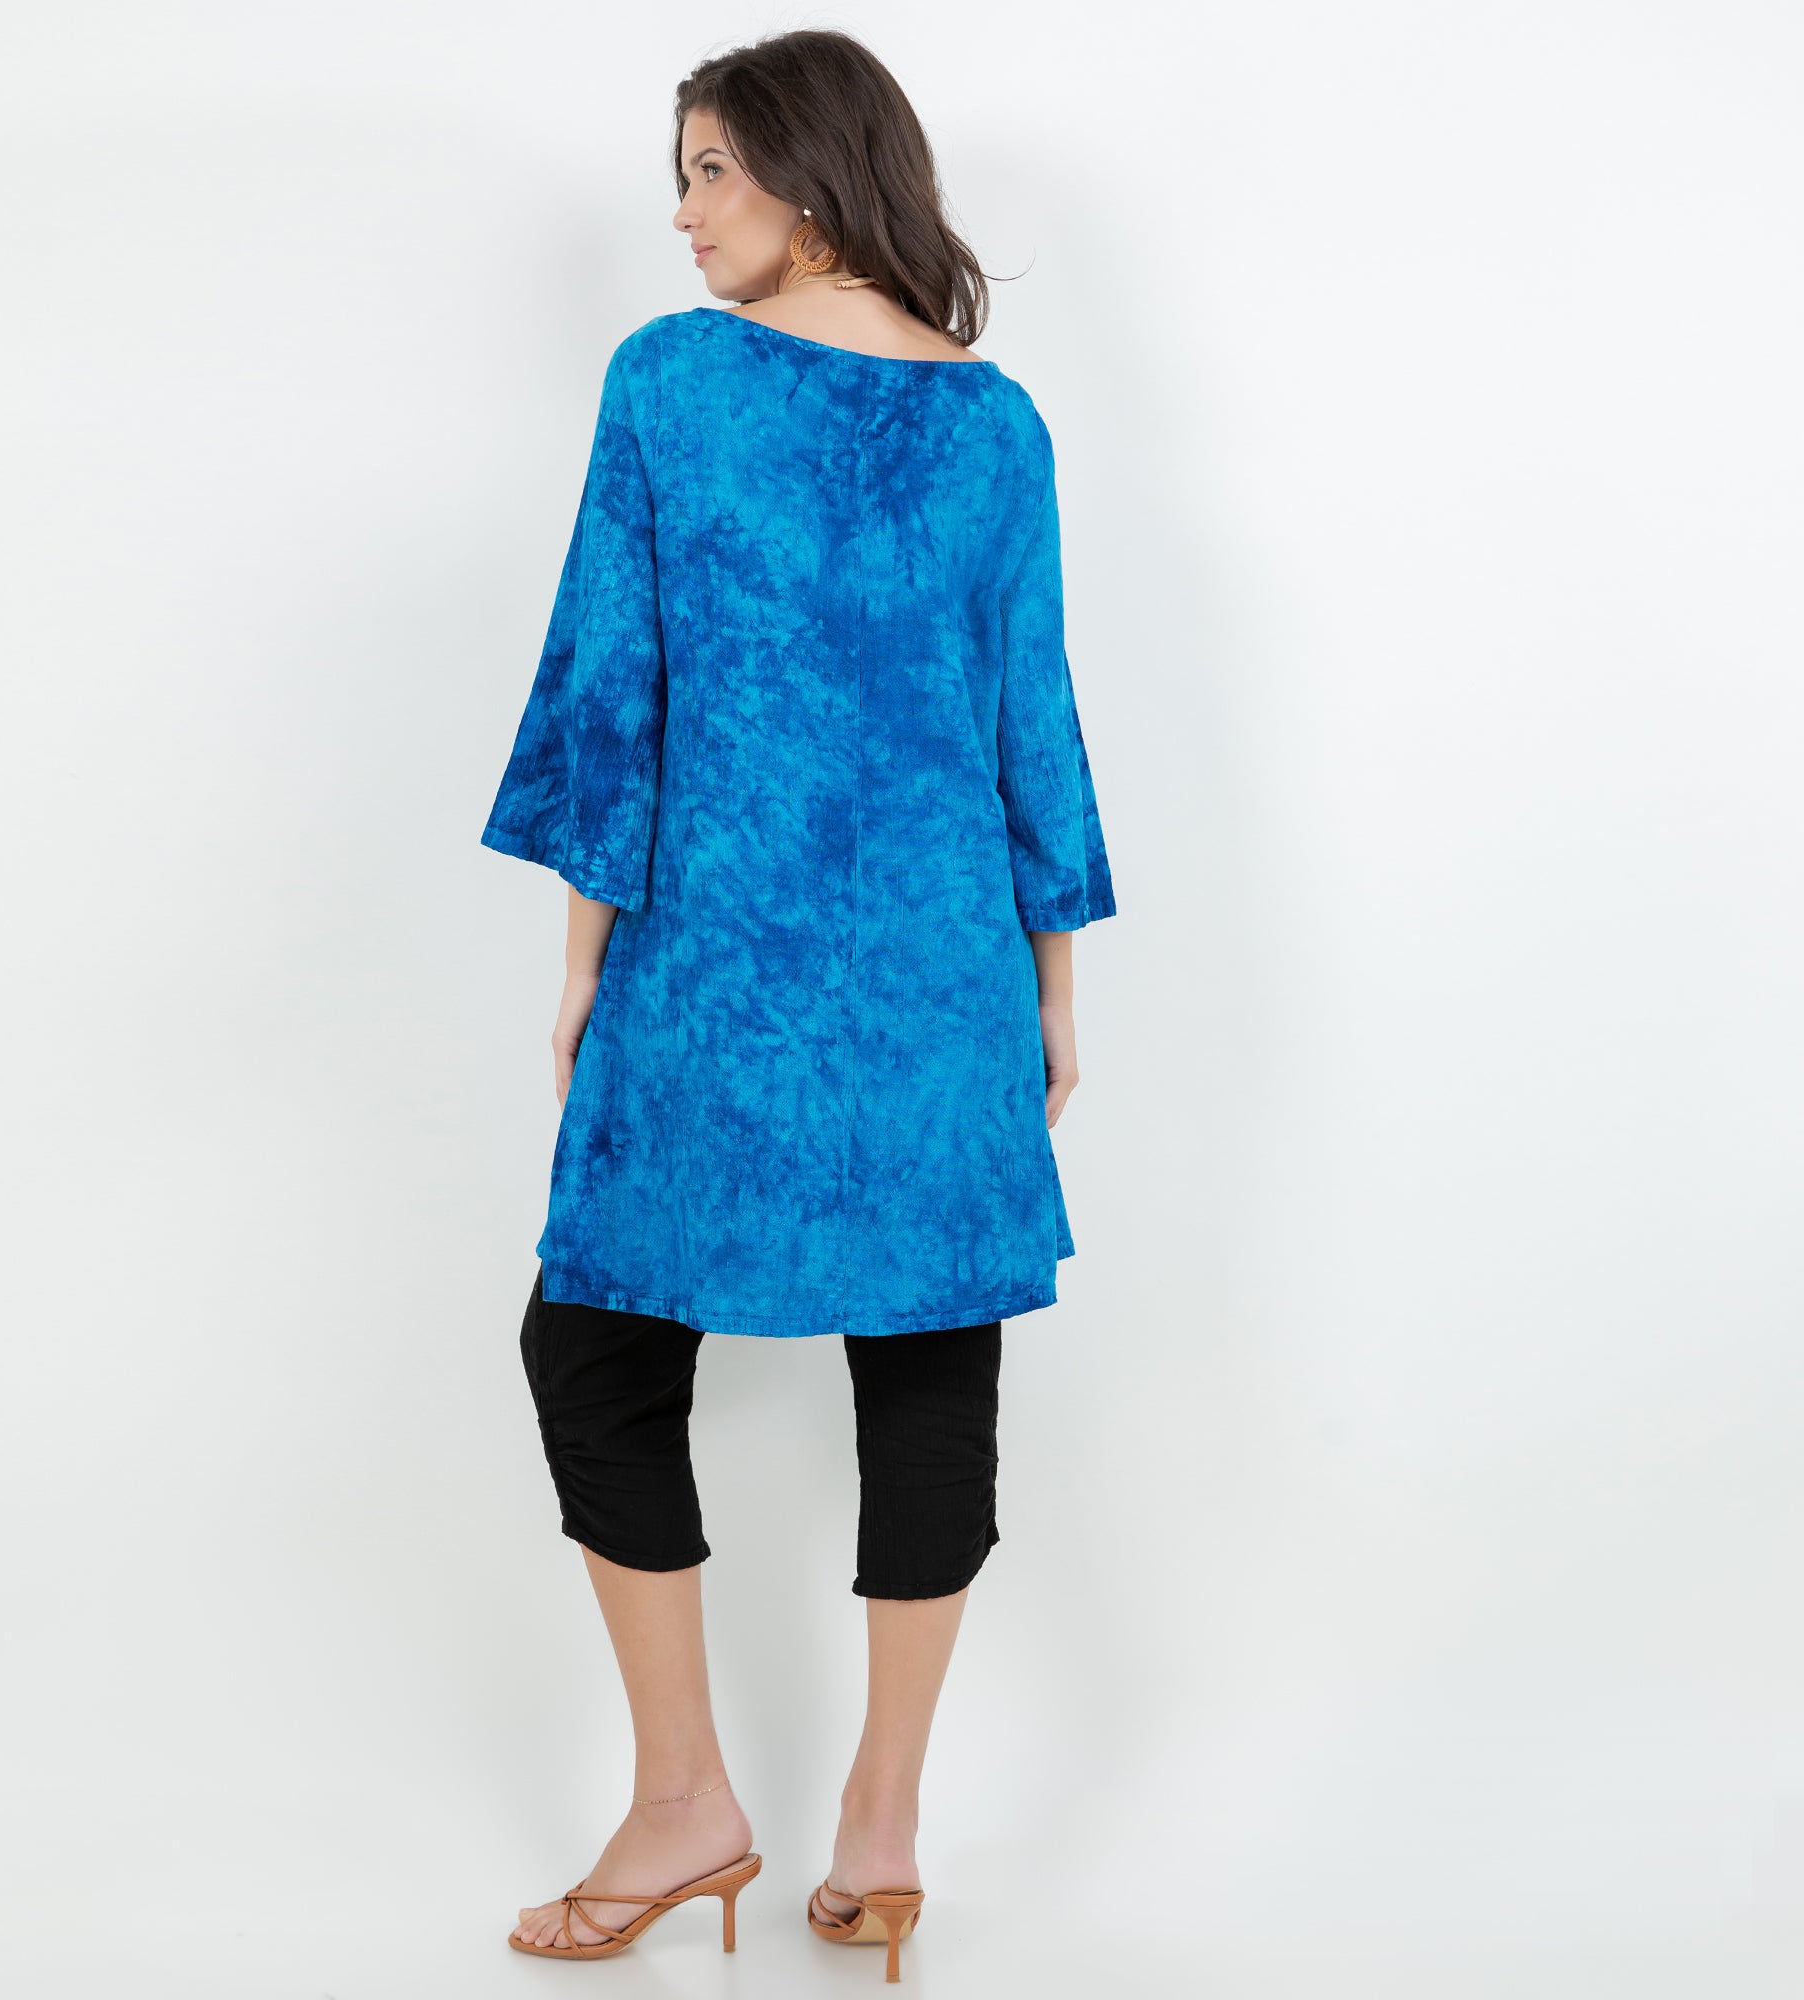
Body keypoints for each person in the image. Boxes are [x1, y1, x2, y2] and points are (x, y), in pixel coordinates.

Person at [485, 28, 1116, 1976]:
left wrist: (583, 964)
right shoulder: (996, 426)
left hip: (715, 969)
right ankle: (882, 1832)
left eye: (710, 171)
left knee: (598, 1346)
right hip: (945, 980)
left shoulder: (673, 386)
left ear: (813, 175)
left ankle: (688, 1799)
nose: (681, 214)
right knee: (928, 1363)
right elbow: (1031, 726)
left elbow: (615, 691)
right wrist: (1053, 992)